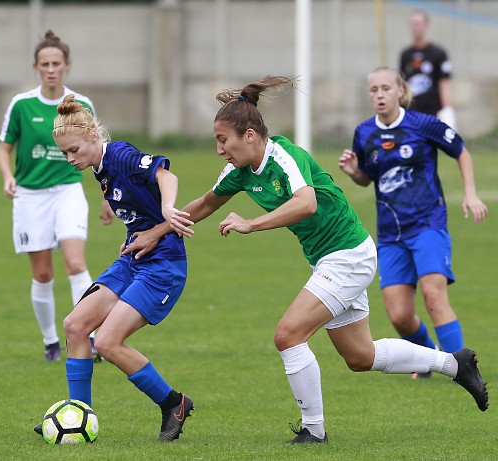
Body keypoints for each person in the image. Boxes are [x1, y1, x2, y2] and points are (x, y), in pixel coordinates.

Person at [124, 75, 489, 444]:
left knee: (288, 335)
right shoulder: (239, 171)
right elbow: (204, 203)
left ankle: (314, 431)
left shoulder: (284, 156)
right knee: (360, 356)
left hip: (347, 255)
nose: (219, 149)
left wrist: (252, 224)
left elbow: (306, 202)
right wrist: (157, 232)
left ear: (249, 135)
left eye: (223, 140)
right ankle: (453, 363)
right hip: (331, 259)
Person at [34, 94, 195, 441]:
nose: (69, 158)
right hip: (133, 260)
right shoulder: (100, 168)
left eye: (74, 150)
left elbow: (166, 175)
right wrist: (110, 206)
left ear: (93, 134)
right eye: (64, 153)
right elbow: (124, 195)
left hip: (163, 265)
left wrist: (168, 209)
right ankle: (79, 416)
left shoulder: (120, 154)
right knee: (75, 326)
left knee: (106, 342)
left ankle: (174, 404)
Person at [339, 67, 488, 379]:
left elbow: (461, 151)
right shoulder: (365, 133)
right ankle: (431, 359)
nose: (379, 95)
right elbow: (368, 179)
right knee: (400, 316)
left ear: (399, 91)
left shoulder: (423, 124)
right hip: (391, 234)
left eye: (385, 88)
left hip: (427, 224)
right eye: (374, 90)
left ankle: (463, 368)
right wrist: (355, 172)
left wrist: (470, 194)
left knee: (434, 296)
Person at [0, 30, 113, 362]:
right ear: (36, 67)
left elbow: (99, 152)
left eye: (56, 63)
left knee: (76, 264)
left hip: (67, 191)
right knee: (43, 273)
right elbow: (4, 150)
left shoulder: (80, 104)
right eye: (44, 63)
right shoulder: (22, 105)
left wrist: (108, 196)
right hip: (30, 196)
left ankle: (88, 338)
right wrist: (8, 177)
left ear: (66, 66)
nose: (51, 69)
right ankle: (50, 342)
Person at [399, 9, 456, 128]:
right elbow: (402, 84)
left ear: (426, 26)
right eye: (413, 24)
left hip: (432, 111)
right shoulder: (405, 55)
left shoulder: (438, 53)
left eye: (419, 24)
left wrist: (447, 110)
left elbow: (444, 82)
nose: (416, 27)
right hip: (412, 112)